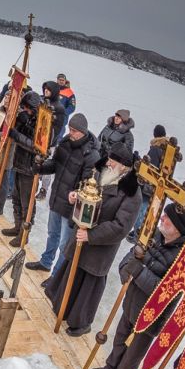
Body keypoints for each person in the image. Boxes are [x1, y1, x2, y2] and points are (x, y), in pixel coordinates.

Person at [90, 203, 185, 369]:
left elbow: (165, 292)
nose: (162, 218)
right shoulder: (155, 234)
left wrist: (137, 271)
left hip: (150, 316)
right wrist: (124, 268)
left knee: (132, 354)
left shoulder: (183, 257)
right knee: (120, 338)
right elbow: (134, 252)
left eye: (168, 218)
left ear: (177, 227)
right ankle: (110, 367)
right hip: (132, 300)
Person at [44, 142, 142, 336]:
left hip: (99, 248)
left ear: (124, 167)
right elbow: (88, 193)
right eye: (109, 159)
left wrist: (91, 235)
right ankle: (62, 308)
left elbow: (120, 227)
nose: (108, 163)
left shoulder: (132, 193)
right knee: (72, 274)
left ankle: (81, 323)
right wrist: (76, 197)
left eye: (113, 161)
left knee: (88, 287)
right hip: (81, 237)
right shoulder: (101, 173)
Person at [28, 113, 100, 274]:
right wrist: (40, 166)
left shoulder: (91, 155)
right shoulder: (65, 143)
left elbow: (90, 184)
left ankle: (56, 276)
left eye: (74, 131)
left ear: (83, 131)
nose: (71, 133)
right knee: (52, 234)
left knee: (64, 243)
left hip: (71, 206)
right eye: (70, 129)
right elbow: (55, 165)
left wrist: (76, 193)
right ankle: (46, 262)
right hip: (57, 197)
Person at [0, 91, 44, 247]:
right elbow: (17, 130)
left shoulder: (43, 123)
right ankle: (17, 226)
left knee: (27, 203)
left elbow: (36, 146)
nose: (25, 110)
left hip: (30, 167)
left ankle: (24, 234)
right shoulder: (28, 117)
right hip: (19, 163)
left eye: (27, 108)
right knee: (16, 198)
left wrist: (16, 135)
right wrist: (20, 121)